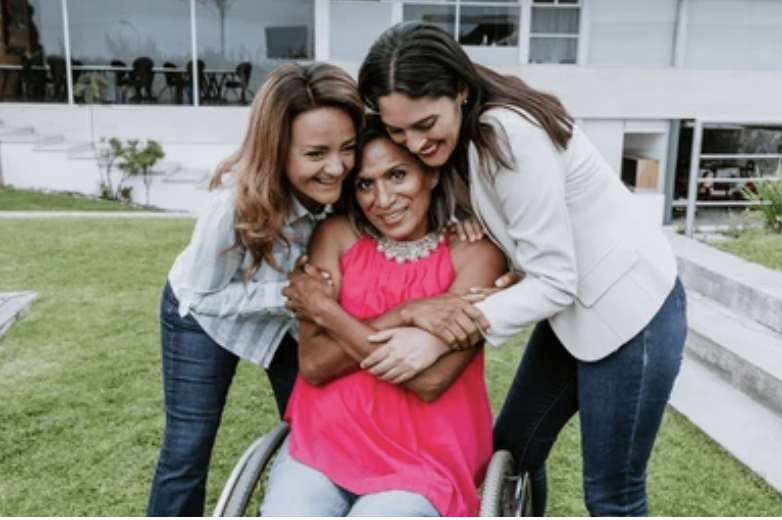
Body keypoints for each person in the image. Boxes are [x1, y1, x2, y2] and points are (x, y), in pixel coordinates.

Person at [356, 21, 689, 517]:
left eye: (425, 124)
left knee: (612, 495)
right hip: (575, 312)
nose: (414, 142)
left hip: (632, 313)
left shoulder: (507, 133)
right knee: (511, 451)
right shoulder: (468, 136)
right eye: (398, 129)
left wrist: (441, 336)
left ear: (461, 89)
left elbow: (555, 280)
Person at [146, 61, 365, 517]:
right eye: (316, 153)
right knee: (188, 449)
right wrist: (291, 293)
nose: (336, 166)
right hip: (202, 318)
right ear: (276, 149)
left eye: (348, 147)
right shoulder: (232, 204)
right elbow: (199, 296)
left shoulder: (348, 187)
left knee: (315, 430)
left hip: (287, 322)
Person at [260, 121, 507, 516]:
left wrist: (327, 311)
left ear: (431, 171)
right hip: (324, 444)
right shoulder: (336, 235)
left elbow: (429, 380)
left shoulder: (476, 254)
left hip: (424, 460)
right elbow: (315, 364)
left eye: (397, 175)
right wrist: (404, 314)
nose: (383, 198)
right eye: (364, 184)